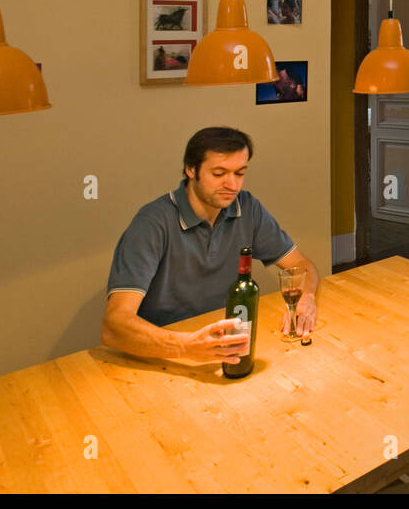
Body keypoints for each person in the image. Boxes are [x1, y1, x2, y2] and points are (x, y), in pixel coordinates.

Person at [102, 126, 320, 365]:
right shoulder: (152, 223)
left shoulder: (247, 207)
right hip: (164, 355)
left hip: (225, 344)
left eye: (239, 173)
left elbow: (300, 264)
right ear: (190, 169)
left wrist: (307, 298)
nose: (233, 185)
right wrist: (187, 346)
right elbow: (114, 326)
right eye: (219, 173)